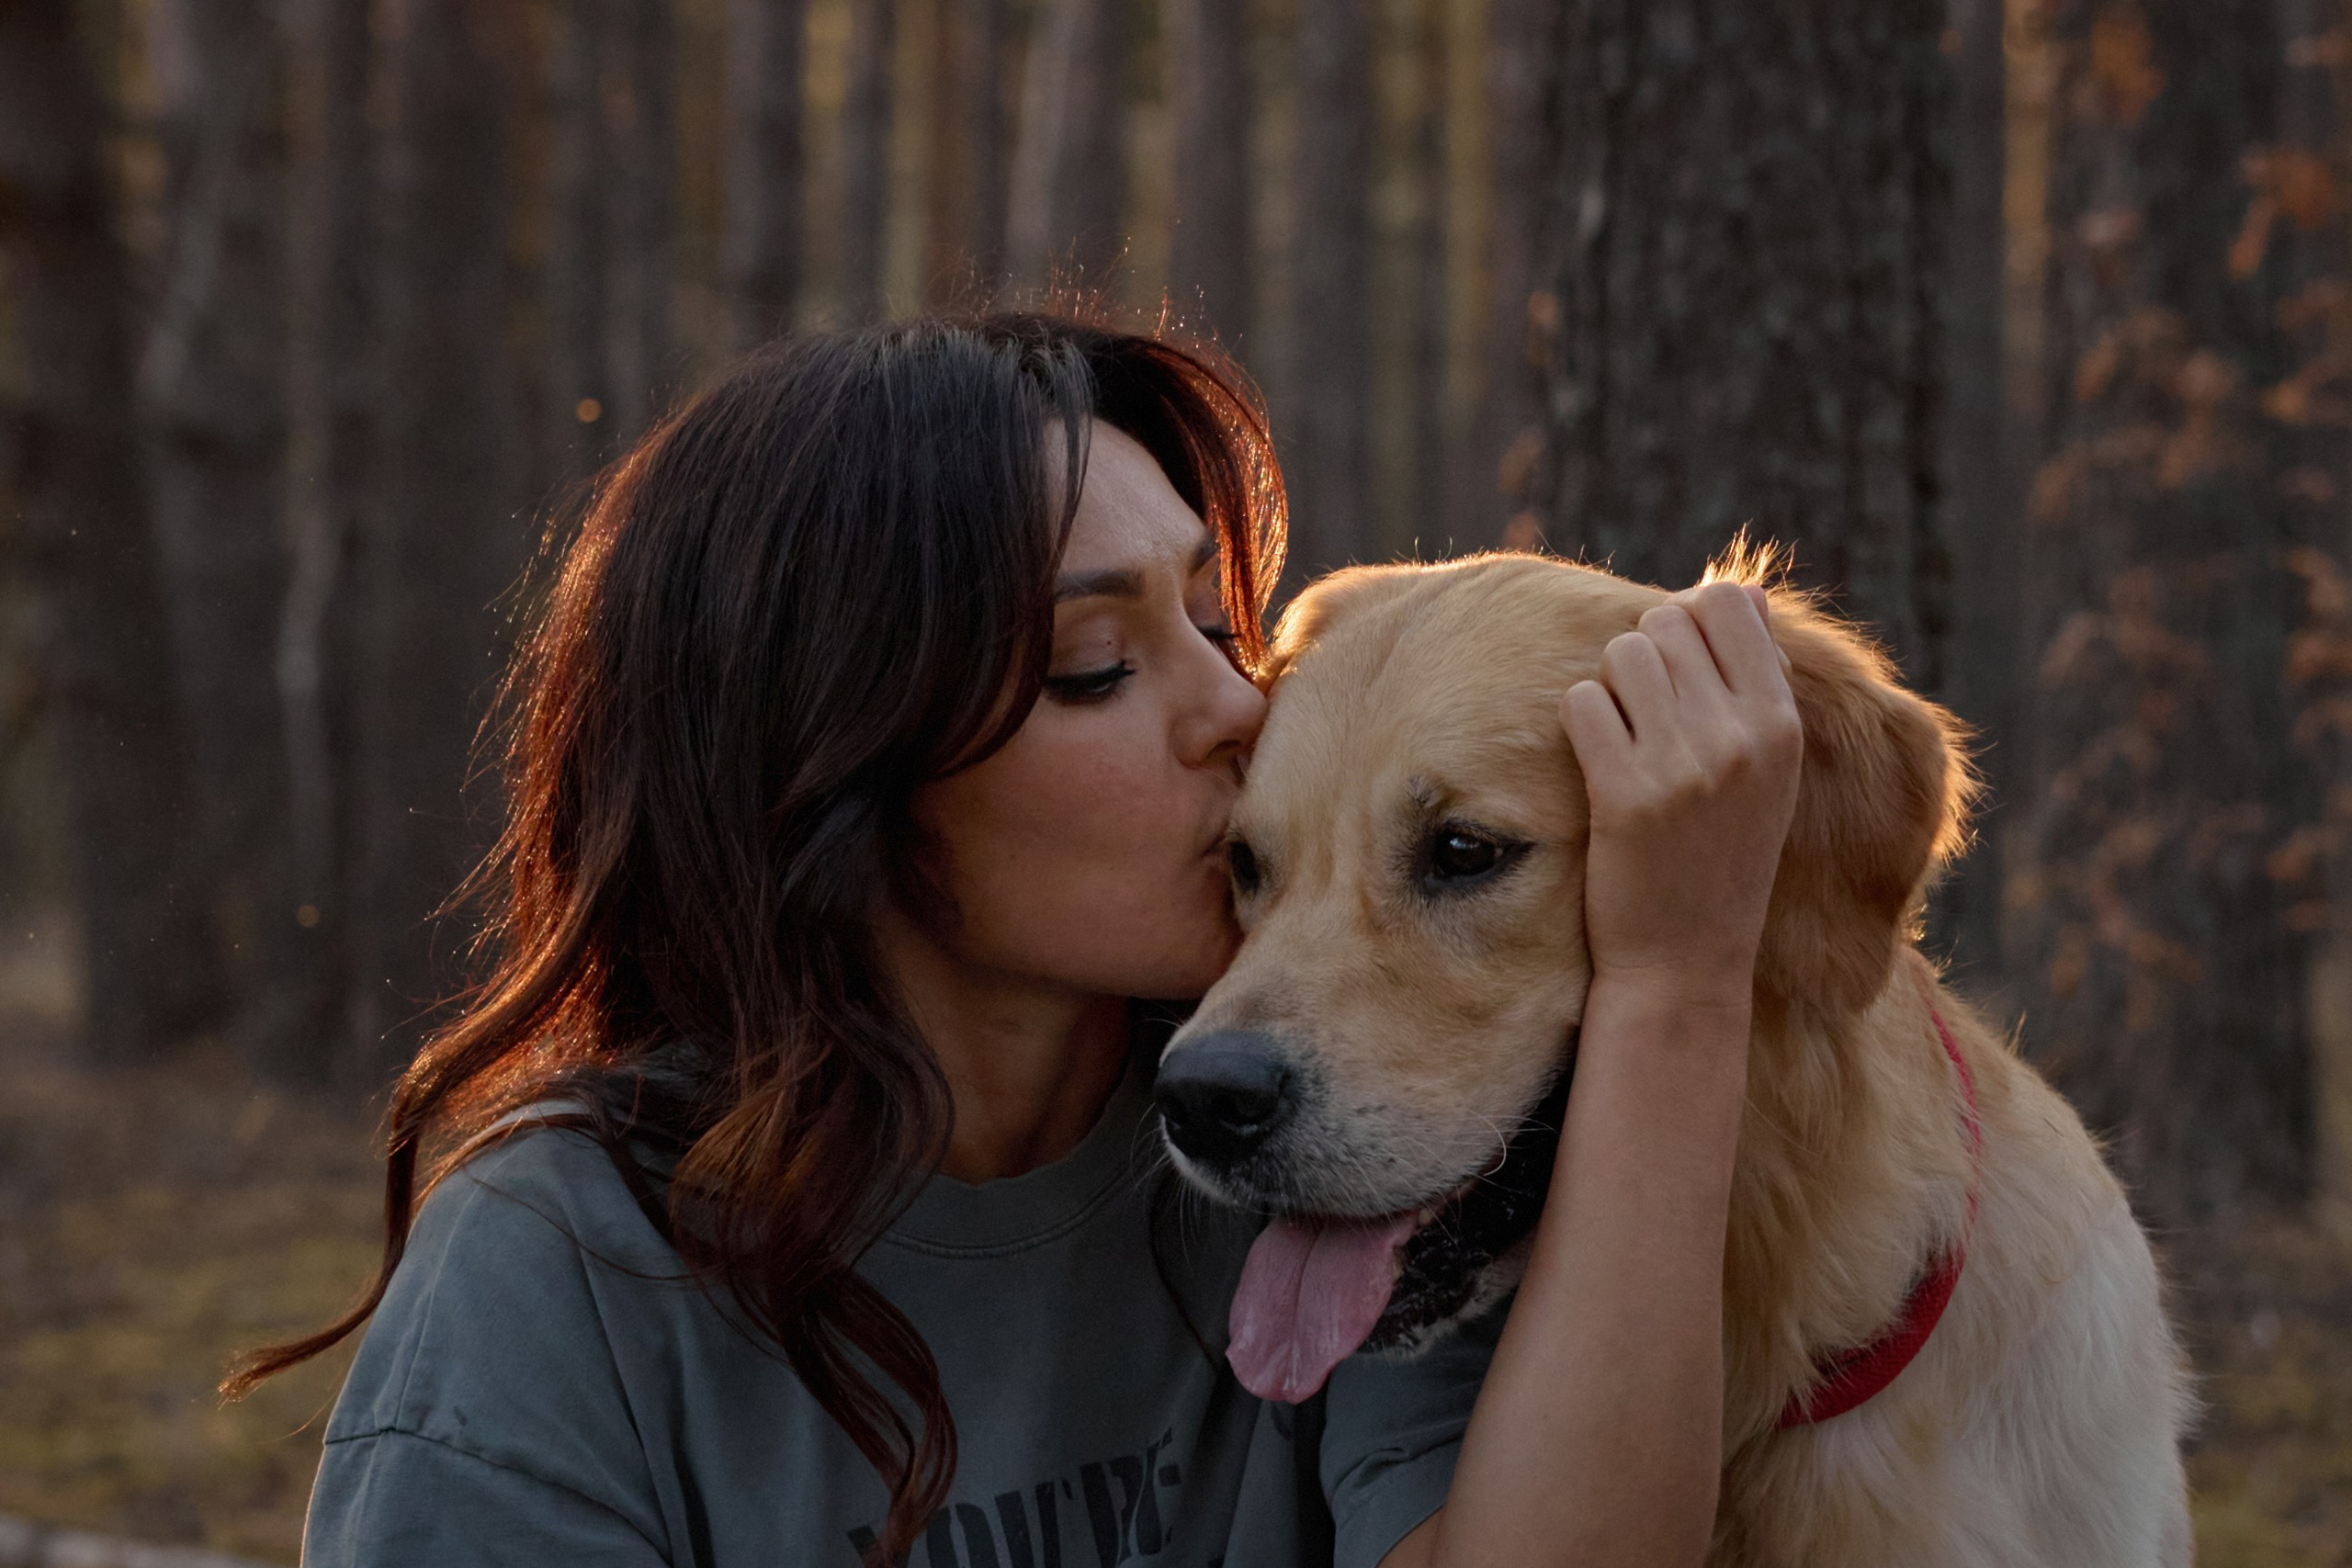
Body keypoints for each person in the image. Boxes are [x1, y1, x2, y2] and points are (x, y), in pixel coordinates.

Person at [233, 312, 1801, 1568]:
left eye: (1212, 620)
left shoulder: (1303, 1140)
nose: (1242, 712)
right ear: (833, 774)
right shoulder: (562, 1270)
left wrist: (1678, 983)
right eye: (1094, 670)